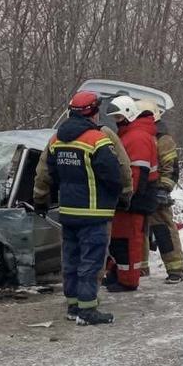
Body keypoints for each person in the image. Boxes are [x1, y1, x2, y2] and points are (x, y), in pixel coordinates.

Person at [32, 90, 124, 326]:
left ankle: (73, 305)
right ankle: (87, 310)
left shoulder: (56, 140)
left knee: (71, 261)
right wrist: (120, 197)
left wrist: (40, 200)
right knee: (91, 262)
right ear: (93, 112)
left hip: (68, 213)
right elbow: (114, 175)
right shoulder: (98, 140)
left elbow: (45, 173)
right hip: (94, 214)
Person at [103, 95, 159, 293]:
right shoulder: (131, 134)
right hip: (132, 198)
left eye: (118, 117)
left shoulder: (136, 137)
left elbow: (135, 173)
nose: (116, 121)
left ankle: (128, 280)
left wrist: (125, 197)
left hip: (135, 200)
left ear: (129, 114)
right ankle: (117, 273)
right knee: (120, 239)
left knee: (129, 240)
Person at [138, 99, 183, 283]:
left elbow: (170, 168)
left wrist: (163, 190)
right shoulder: (139, 134)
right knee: (138, 231)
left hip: (156, 191)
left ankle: (176, 270)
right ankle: (141, 267)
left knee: (164, 230)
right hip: (140, 192)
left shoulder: (163, 138)